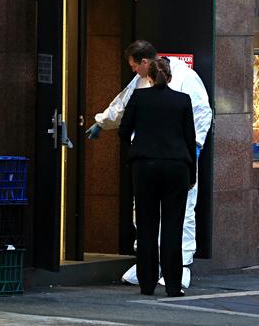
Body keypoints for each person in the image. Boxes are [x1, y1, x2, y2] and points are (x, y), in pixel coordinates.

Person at [86, 40, 212, 288]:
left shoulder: (183, 79)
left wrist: (193, 148)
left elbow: (200, 114)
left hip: (157, 161)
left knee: (166, 215)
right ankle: (150, 265)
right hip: (176, 162)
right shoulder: (147, 85)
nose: (134, 71)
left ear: (145, 63)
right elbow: (122, 103)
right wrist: (101, 122)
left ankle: (176, 266)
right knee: (160, 216)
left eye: (135, 66)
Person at [118, 58, 196, 297]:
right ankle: (173, 285)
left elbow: (123, 130)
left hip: (145, 166)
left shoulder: (140, 99)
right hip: (176, 167)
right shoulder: (183, 100)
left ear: (148, 77)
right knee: (173, 226)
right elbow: (189, 139)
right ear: (169, 77)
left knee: (146, 225)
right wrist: (191, 173)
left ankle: (147, 283)